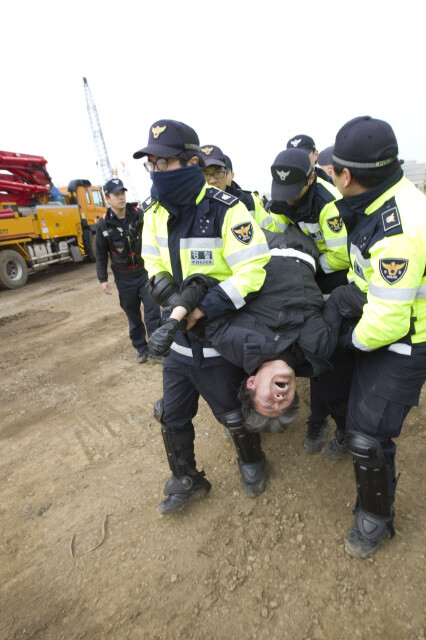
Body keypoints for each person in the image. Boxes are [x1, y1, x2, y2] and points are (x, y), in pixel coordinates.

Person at [133, 119, 271, 515]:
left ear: (192, 162)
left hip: (217, 338)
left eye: (164, 163)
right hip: (178, 343)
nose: (157, 173)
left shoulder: (228, 210)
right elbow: (151, 264)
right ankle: (187, 478)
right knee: (172, 415)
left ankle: (252, 462)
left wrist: (202, 308)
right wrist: (177, 307)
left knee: (232, 414)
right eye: (152, 165)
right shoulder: (153, 213)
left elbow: (253, 269)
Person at [329, 115, 426, 559]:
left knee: (367, 435)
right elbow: (365, 279)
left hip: (406, 339)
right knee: (356, 419)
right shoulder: (376, 200)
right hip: (384, 321)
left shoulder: (397, 226)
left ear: (346, 176)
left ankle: (376, 516)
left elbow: (387, 322)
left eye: (333, 171)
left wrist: (345, 342)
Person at [148, 226, 353, 431]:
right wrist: (383, 302)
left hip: (261, 244)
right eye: (283, 404)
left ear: (251, 383)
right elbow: (339, 299)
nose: (279, 399)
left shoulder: (235, 345)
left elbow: (205, 290)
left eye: (269, 403)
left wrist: (177, 317)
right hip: (305, 245)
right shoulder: (319, 352)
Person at [268, 147, 352, 454]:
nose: (289, 200)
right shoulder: (279, 201)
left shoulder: (329, 204)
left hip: (331, 278)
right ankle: (319, 417)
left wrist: (307, 263)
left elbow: (342, 256)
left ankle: (341, 422)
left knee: (332, 354)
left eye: (295, 192)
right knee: (309, 353)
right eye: (283, 192)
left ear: (312, 178)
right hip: (301, 278)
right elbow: (274, 239)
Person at [95, 178, 161, 364]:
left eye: (122, 193)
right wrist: (103, 279)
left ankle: (156, 348)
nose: (121, 197)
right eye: (116, 194)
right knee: (133, 315)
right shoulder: (104, 224)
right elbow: (101, 254)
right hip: (124, 279)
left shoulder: (139, 215)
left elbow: (154, 239)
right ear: (107, 198)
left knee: (153, 311)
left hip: (144, 273)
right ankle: (141, 348)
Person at [199, 144, 277, 231]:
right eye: (205, 174)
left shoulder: (249, 202)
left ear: (227, 174)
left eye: (218, 172)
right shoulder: (184, 207)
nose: (213, 180)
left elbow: (274, 230)